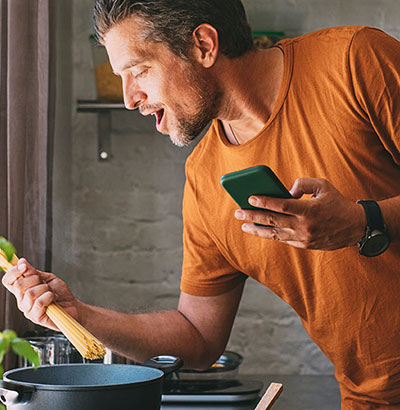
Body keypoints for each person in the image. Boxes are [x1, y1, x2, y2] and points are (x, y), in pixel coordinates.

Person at [3, 0, 400, 408]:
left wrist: (363, 221)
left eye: (139, 70)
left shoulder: (354, 61)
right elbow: (198, 335)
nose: (128, 98)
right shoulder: (204, 178)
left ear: (204, 45)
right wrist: (78, 314)